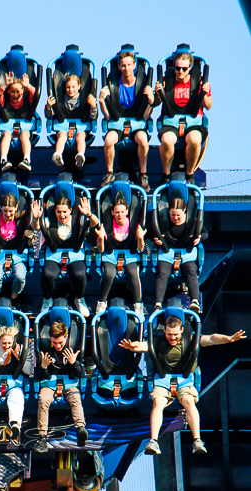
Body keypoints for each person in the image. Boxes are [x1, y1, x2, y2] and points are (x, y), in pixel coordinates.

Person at [119, 318, 246, 455]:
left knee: (189, 402)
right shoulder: (159, 340)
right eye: (169, 334)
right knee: (158, 403)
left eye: (175, 334)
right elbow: (143, 345)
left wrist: (228, 339)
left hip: (185, 380)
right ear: (165, 331)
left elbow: (211, 339)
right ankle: (153, 441)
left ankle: (197, 440)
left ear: (181, 330)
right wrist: (132, 346)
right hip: (163, 379)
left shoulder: (190, 339)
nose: (172, 338)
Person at [99, 50, 154, 192]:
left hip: (137, 123)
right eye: (123, 65)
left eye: (129, 65)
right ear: (118, 67)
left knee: (143, 138)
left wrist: (151, 102)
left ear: (134, 65)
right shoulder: (113, 84)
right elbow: (107, 116)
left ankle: (143, 175)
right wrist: (102, 102)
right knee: (109, 139)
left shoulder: (142, 85)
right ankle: (109, 173)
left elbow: (146, 116)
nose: (126, 68)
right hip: (117, 123)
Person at [154, 51, 212, 183]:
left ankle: (190, 174)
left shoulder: (199, 82)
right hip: (171, 121)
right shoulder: (166, 82)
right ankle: (166, 175)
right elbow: (155, 104)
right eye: (177, 68)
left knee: (195, 139)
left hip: (193, 122)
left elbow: (209, 106)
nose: (180, 72)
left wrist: (204, 92)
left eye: (184, 69)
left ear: (190, 68)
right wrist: (158, 94)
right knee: (167, 140)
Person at [40, 194, 99, 315]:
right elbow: (36, 226)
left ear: (70, 210)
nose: (62, 215)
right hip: (55, 253)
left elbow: (95, 223)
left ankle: (79, 298)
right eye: (58, 212)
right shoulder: (50, 220)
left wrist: (89, 214)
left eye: (65, 212)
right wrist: (36, 218)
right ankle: (47, 299)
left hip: (74, 253)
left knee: (79, 273)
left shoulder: (78, 219)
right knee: (48, 274)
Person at [34, 320, 87, 453]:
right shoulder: (45, 350)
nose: (58, 346)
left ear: (66, 337)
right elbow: (40, 376)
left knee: (75, 397)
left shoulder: (73, 349)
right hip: (50, 384)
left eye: (60, 343)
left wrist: (74, 363)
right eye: (54, 342)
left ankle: (80, 429)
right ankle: (42, 438)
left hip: (69, 384)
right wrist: (43, 366)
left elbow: (80, 374)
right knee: (43, 399)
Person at [94, 194, 146, 317]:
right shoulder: (106, 226)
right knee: (109, 273)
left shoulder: (133, 225)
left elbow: (141, 249)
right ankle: (101, 302)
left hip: (130, 255)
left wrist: (140, 238)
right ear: (112, 212)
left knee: (133, 272)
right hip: (111, 255)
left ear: (127, 212)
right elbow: (100, 250)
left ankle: (138, 305)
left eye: (122, 212)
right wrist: (101, 238)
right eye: (117, 212)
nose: (120, 215)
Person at [0, 194, 41, 301]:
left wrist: (36, 219)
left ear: (16, 208)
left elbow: (35, 227)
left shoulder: (22, 218)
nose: (8, 214)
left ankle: (14, 295)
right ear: (1, 208)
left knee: (20, 276)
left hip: (18, 254)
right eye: (5, 211)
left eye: (11, 211)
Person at [153, 197, 205, 312]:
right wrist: (156, 240)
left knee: (191, 271)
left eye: (178, 215)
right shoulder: (163, 222)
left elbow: (205, 233)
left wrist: (199, 238)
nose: (175, 218)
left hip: (187, 252)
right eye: (173, 215)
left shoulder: (193, 221)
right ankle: (158, 303)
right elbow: (152, 234)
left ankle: (195, 301)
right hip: (168, 252)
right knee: (162, 273)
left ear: (184, 211)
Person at [45, 73, 97, 168]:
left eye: (73, 87)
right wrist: (48, 106)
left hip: (81, 126)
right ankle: (58, 154)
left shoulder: (84, 100)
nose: (71, 90)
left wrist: (93, 106)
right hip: (63, 126)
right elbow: (49, 115)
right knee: (62, 135)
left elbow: (93, 116)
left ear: (79, 87)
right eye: (68, 87)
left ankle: (80, 155)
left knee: (80, 136)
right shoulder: (60, 100)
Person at [0, 73, 37, 172]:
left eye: (18, 91)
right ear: (8, 91)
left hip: (25, 129)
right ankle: (3, 160)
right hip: (7, 129)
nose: (15, 94)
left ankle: (27, 159)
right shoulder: (4, 101)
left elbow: (36, 94)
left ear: (22, 91)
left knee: (24, 134)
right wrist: (5, 86)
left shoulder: (27, 100)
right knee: (6, 135)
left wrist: (28, 86)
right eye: (12, 91)